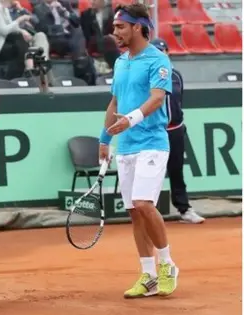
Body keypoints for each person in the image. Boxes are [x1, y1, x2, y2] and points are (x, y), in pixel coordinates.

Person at [99, 3, 179, 299]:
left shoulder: (158, 60)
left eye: (120, 27)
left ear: (137, 27)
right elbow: (114, 104)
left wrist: (130, 120)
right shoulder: (120, 62)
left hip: (152, 143)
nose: (115, 32)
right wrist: (103, 139)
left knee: (145, 203)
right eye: (114, 27)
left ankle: (167, 265)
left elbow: (157, 99)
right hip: (126, 146)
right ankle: (148, 274)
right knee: (134, 212)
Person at [151, 38, 206, 224]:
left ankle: (184, 209)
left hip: (175, 130)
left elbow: (179, 101)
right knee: (151, 173)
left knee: (176, 171)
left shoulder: (176, 75)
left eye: (162, 51)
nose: (159, 54)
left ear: (167, 52)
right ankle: (149, 213)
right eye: (155, 52)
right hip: (155, 132)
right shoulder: (146, 76)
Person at [0, 0, 51, 80]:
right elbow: (4, 30)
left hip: (7, 40)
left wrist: (22, 31)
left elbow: (13, 26)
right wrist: (20, 20)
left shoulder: (4, 8)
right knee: (20, 40)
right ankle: (30, 67)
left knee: (40, 36)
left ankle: (42, 63)